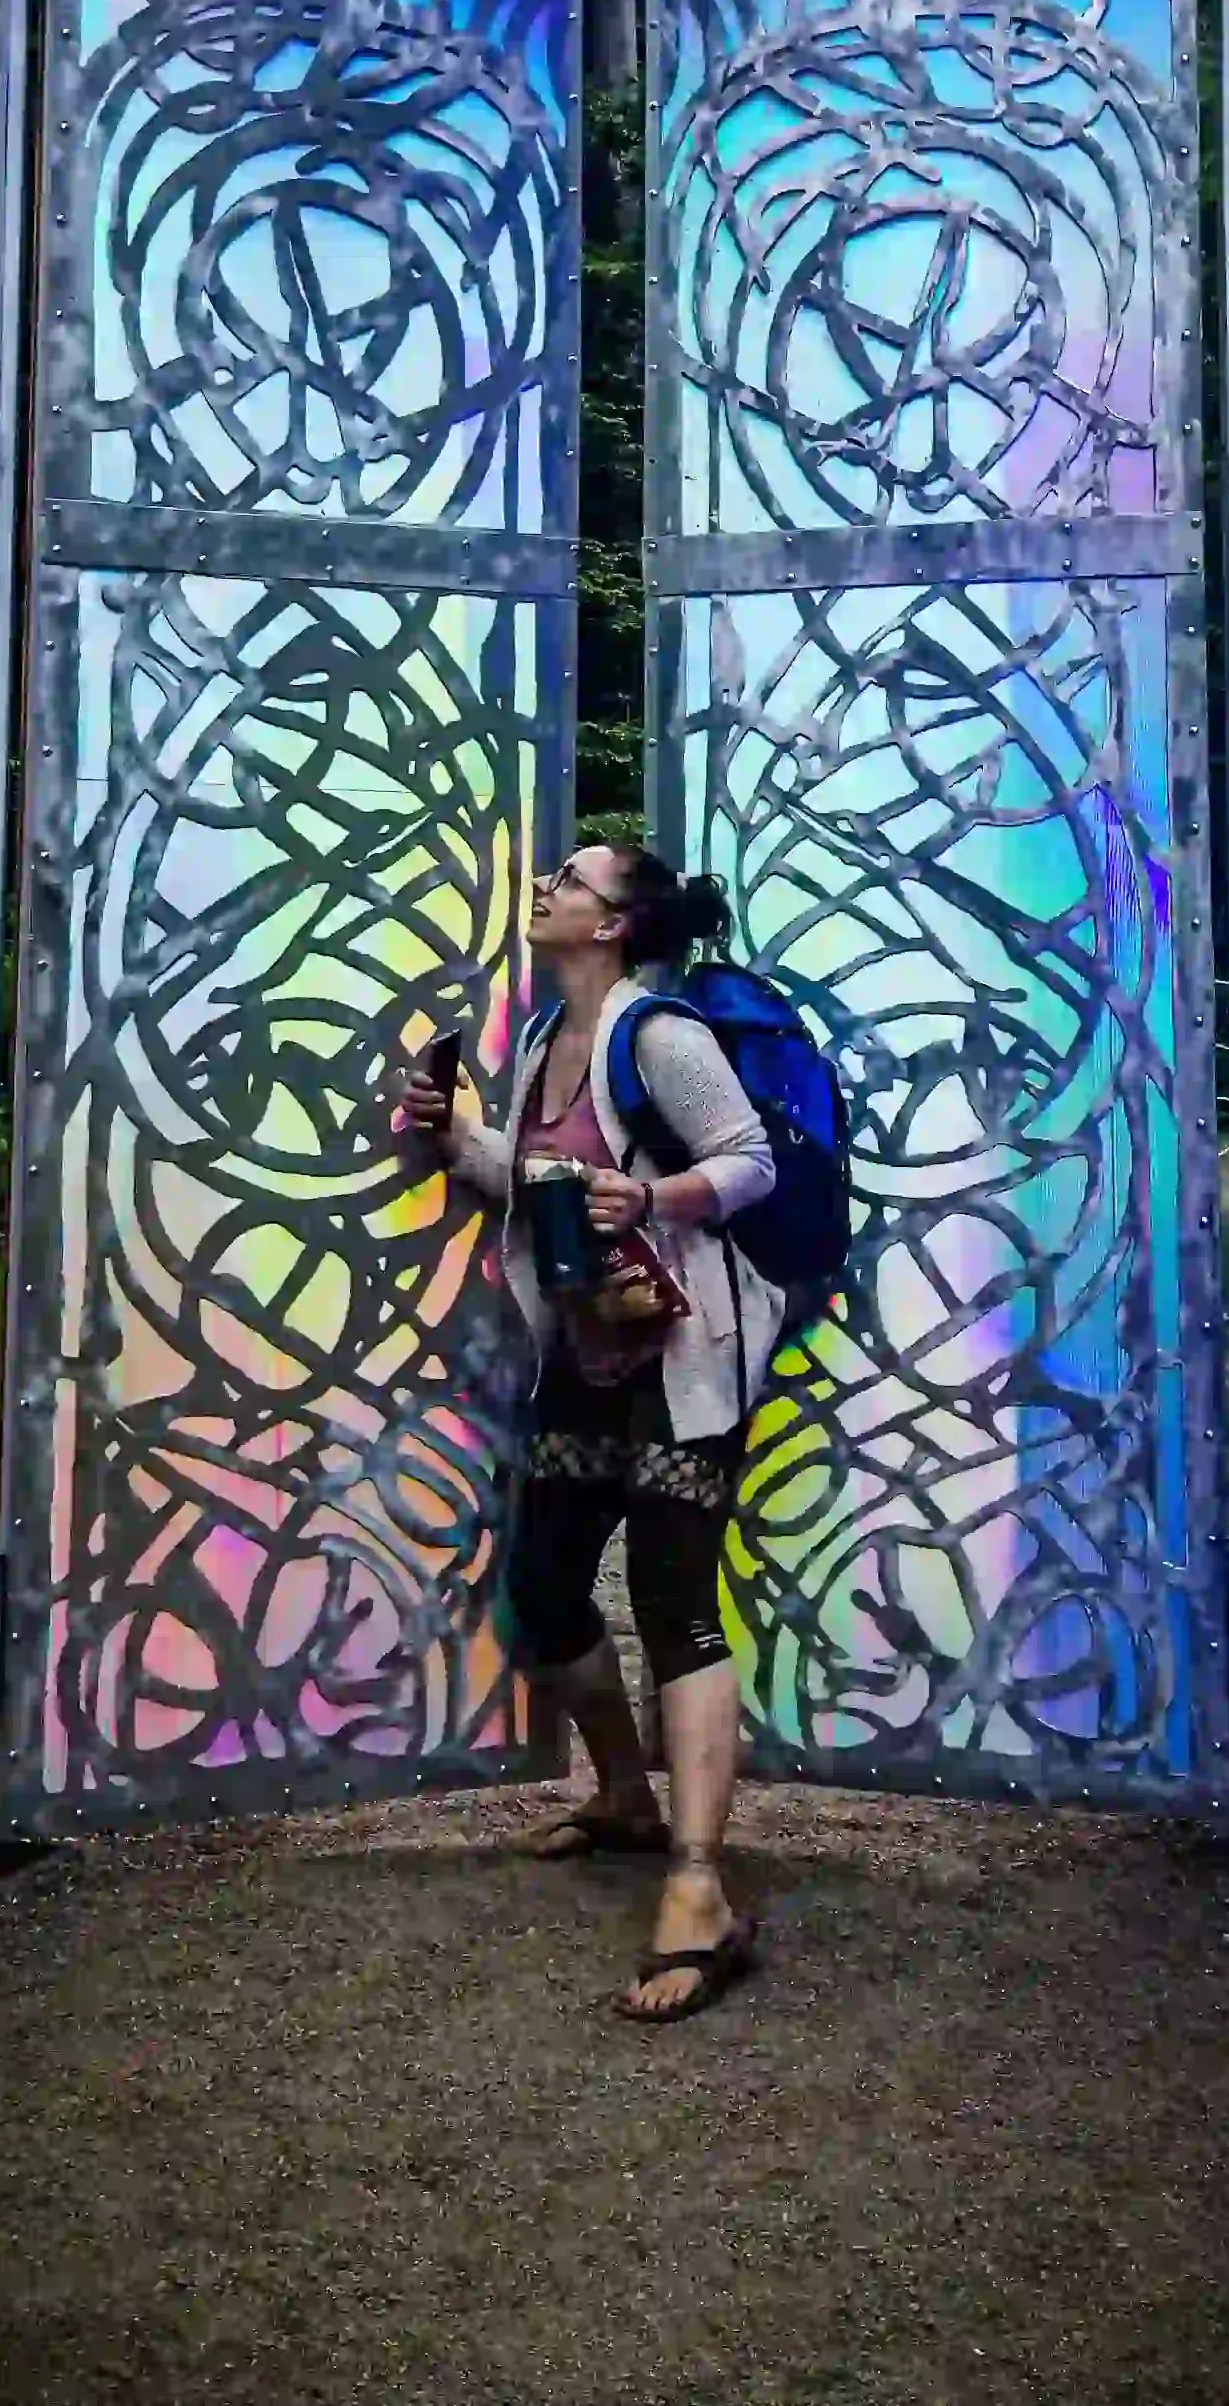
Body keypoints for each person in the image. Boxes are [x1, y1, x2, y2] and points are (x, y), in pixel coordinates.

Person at [399, 845, 780, 2025]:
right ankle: (623, 1793)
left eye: (569, 875)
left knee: (673, 1601)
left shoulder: (657, 1036)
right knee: (547, 1590)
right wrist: (453, 1133)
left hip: (680, 1360)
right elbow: (537, 1180)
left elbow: (750, 1162)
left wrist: (650, 1197)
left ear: (612, 925)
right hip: (583, 1358)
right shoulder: (543, 1046)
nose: (547, 883)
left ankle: (701, 1884)